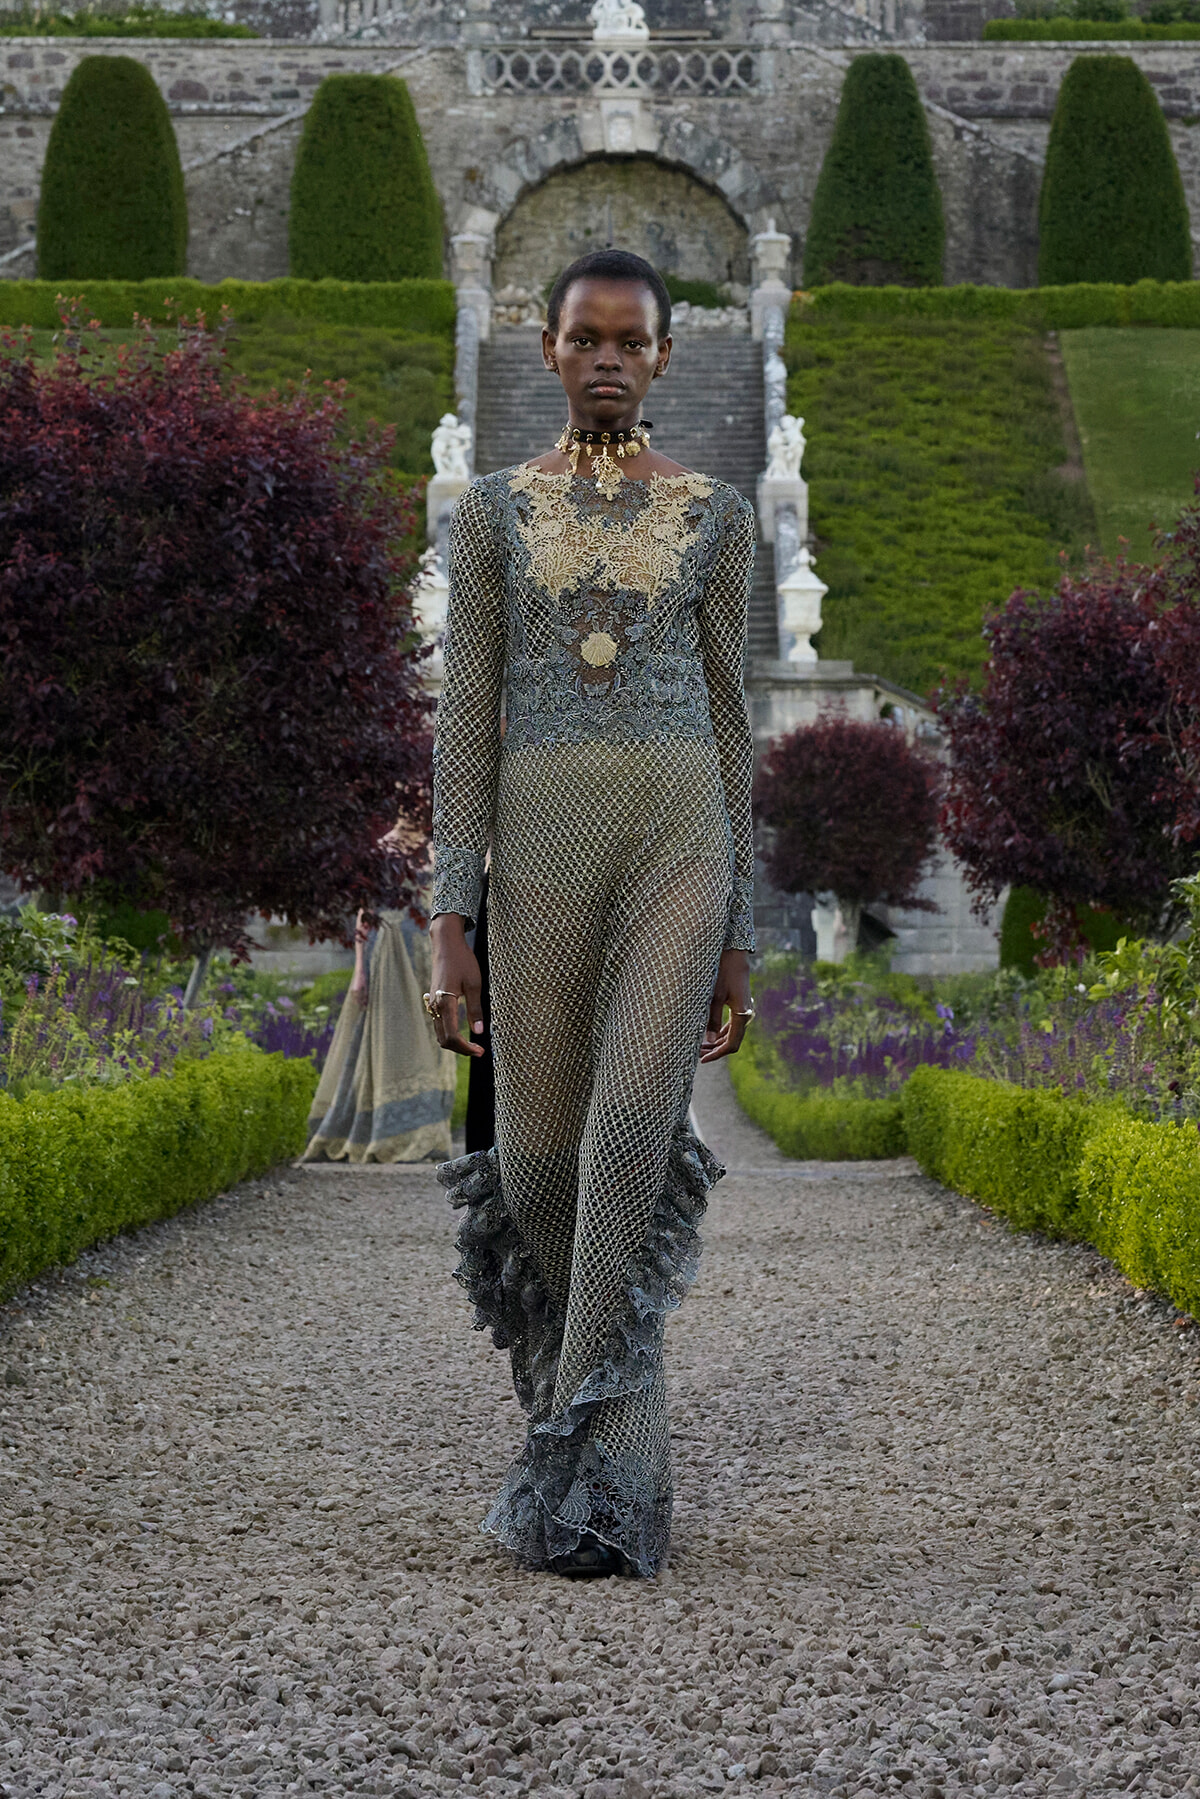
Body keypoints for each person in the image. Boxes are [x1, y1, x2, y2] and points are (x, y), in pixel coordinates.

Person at [428, 248, 756, 1579]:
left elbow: (735, 719)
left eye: (633, 339)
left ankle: (604, 1484)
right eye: (586, 337)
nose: (610, 356)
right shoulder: (491, 514)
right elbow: (462, 718)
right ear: (547, 349)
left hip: (680, 842)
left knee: (628, 1141)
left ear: (665, 356)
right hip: (541, 855)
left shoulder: (719, 514)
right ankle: (604, 1447)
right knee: (537, 1170)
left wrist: (741, 922)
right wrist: (453, 912)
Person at [302, 898, 458, 1165]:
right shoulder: (383, 859)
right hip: (390, 954)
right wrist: (359, 971)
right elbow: (364, 910)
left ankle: (427, 1135)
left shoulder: (438, 856)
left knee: (433, 1039)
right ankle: (385, 1133)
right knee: (387, 1043)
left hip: (427, 952)